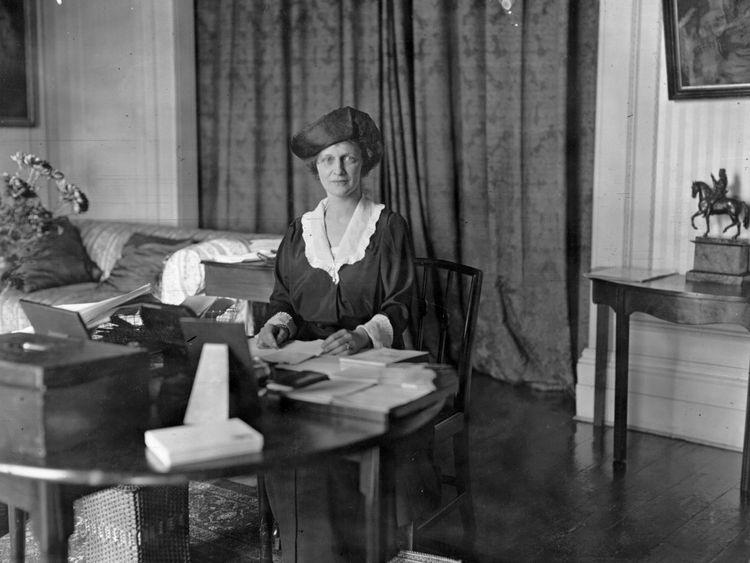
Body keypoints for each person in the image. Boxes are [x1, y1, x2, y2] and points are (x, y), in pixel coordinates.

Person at [256, 106, 439, 562]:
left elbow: (402, 303)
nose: (338, 170)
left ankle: (355, 550)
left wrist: (360, 336)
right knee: (279, 420)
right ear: (315, 169)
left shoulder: (387, 226)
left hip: (372, 359)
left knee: (339, 426)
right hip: (311, 358)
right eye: (327, 160)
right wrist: (277, 326)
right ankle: (302, 547)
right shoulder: (299, 231)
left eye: (348, 159)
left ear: (365, 162)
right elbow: (284, 300)